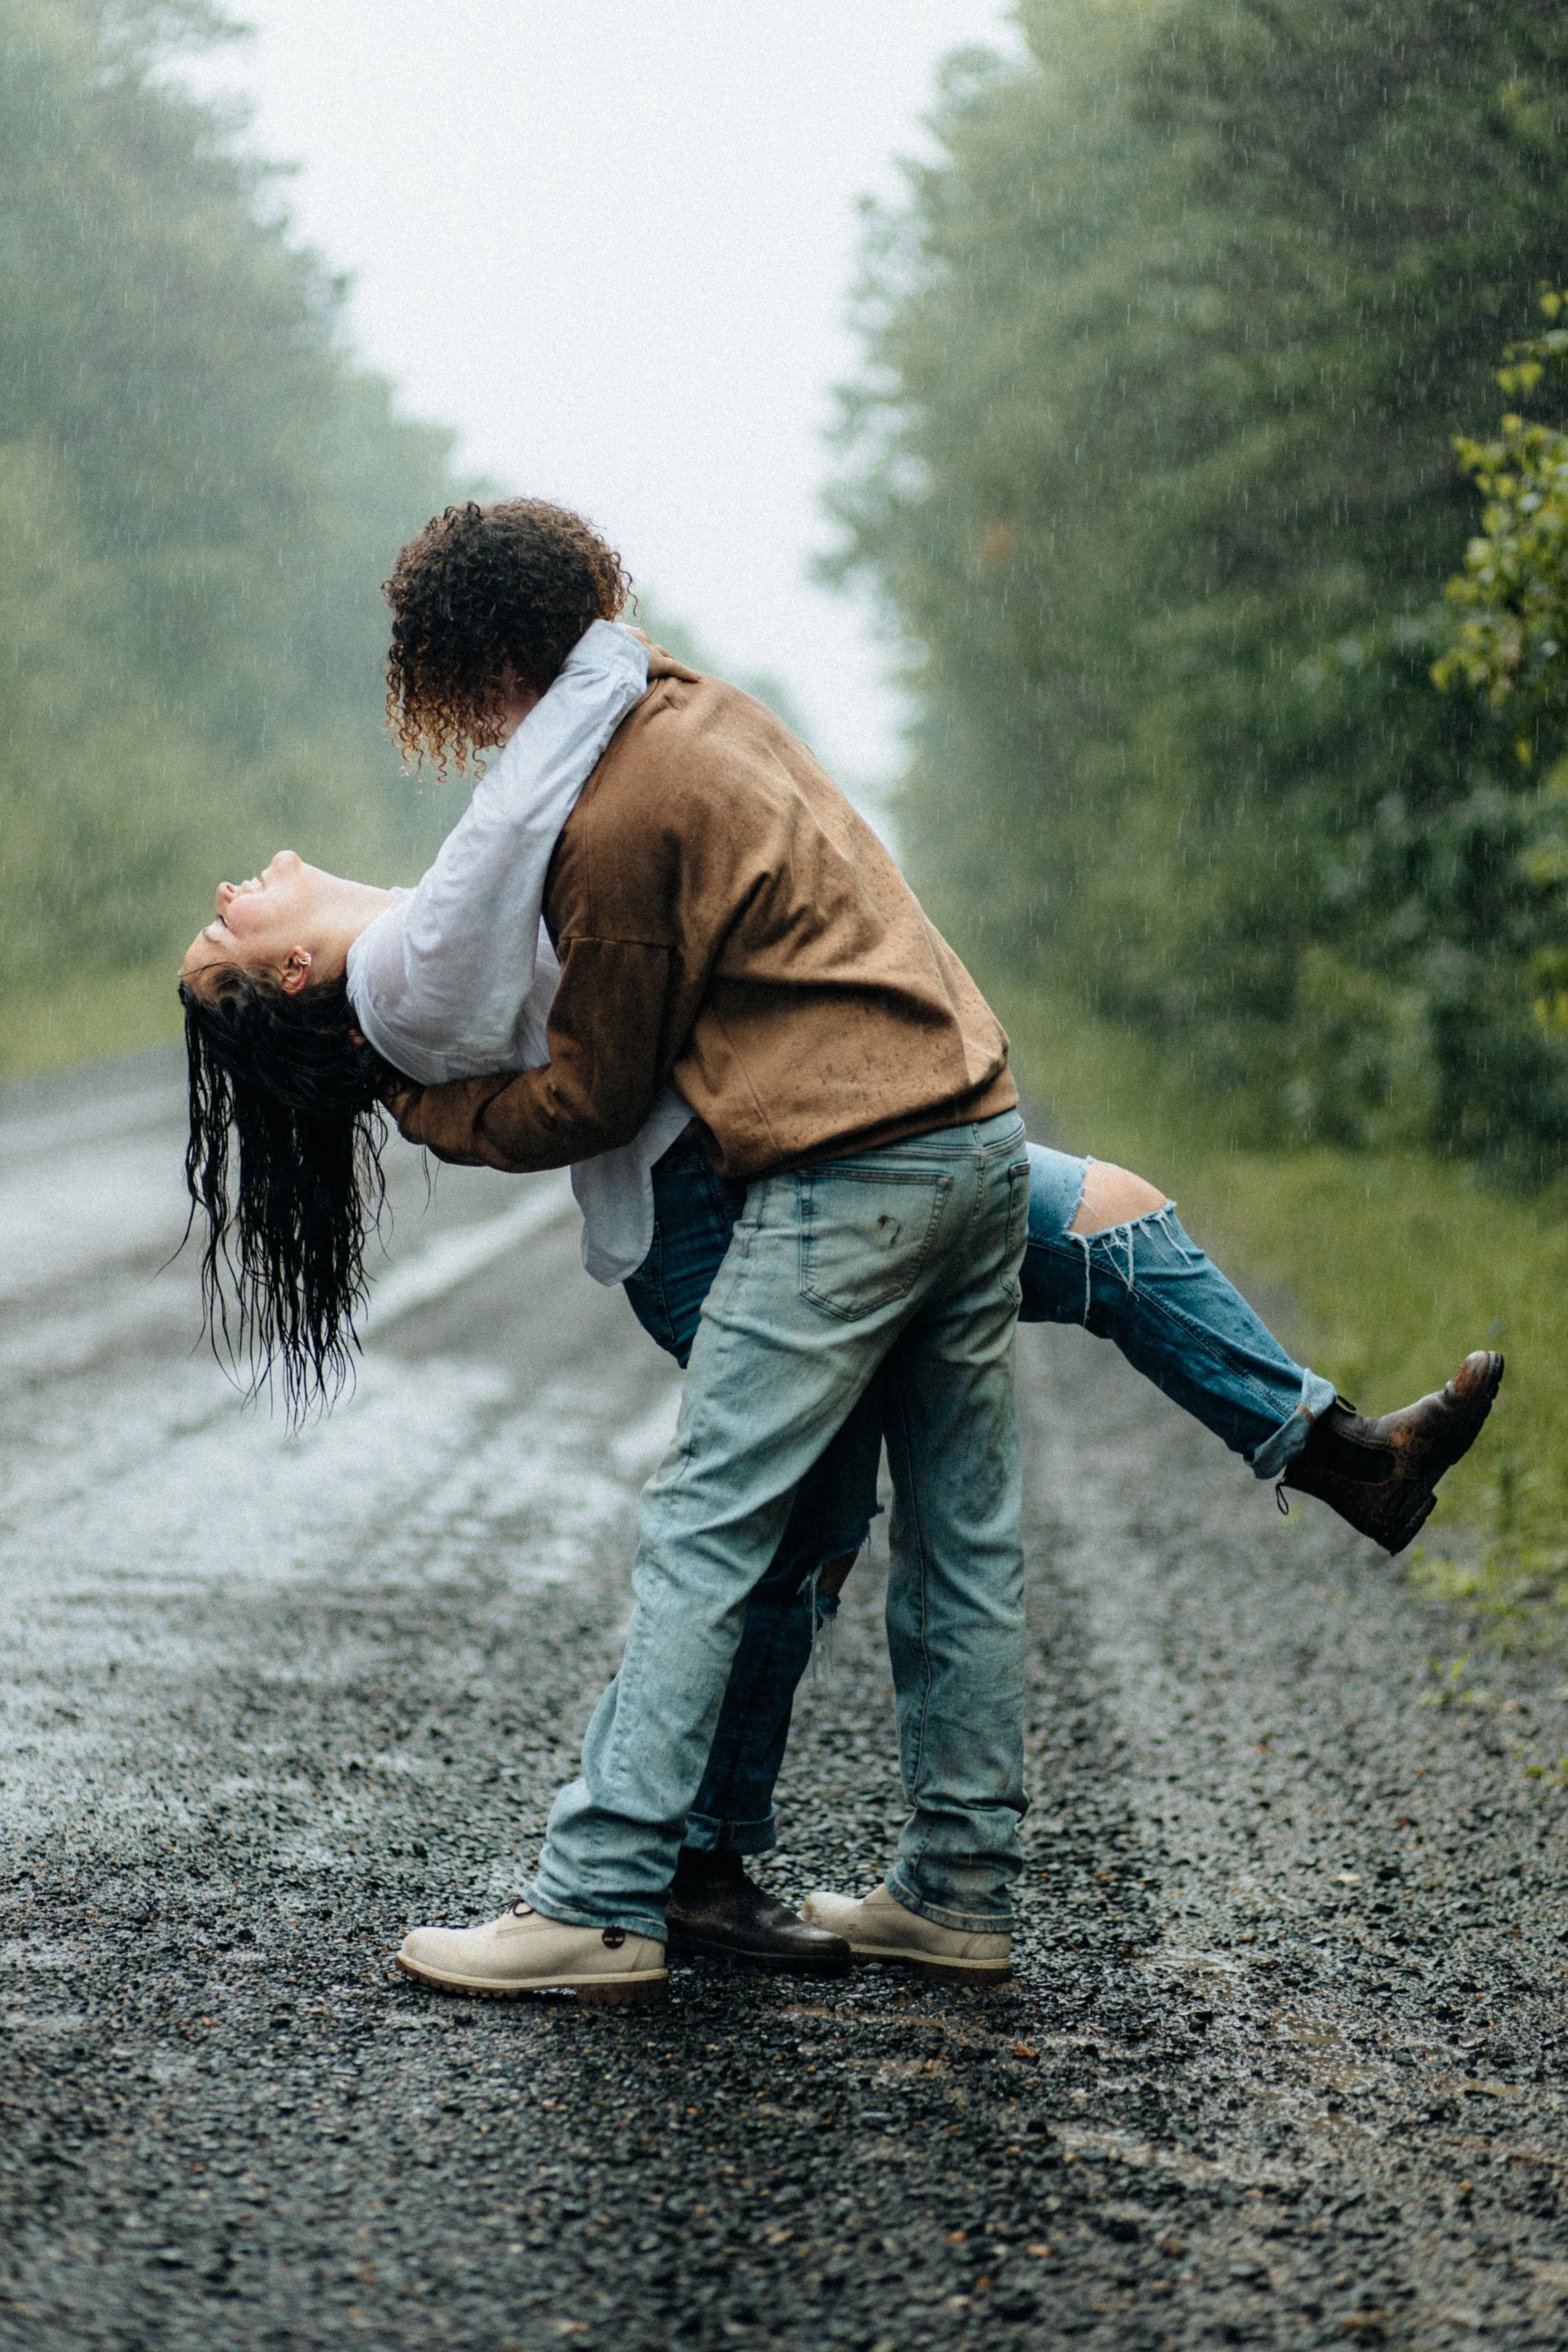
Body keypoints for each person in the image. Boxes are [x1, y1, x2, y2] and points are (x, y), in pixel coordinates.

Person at [180, 500, 1504, 1998]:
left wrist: (436, 1109)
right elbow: (579, 1038)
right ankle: (899, 1879)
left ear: (487, 675)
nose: (232, 890)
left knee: (740, 1527)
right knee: (913, 1524)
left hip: (851, 1165)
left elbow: (582, 1032)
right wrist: (427, 1098)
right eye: (221, 936)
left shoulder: (609, 778)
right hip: (924, 1131)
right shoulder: (653, 748)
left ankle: (620, 1889)